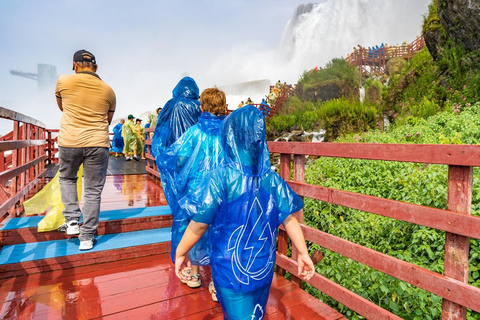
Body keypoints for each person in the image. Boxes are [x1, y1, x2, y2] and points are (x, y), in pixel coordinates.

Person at [175, 105, 314, 319]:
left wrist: (181, 251)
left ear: (229, 140)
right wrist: (303, 253)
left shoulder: (220, 178)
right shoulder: (271, 179)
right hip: (262, 266)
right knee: (256, 312)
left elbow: (200, 223)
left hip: (229, 268)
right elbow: (290, 219)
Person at [158, 87, 227, 292]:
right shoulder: (229, 130)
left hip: (196, 187)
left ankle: (195, 275)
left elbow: (178, 157)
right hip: (223, 188)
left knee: (195, 227)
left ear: (202, 106)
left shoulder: (195, 131)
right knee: (220, 231)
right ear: (224, 105)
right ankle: (216, 282)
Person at [55, 49, 116, 250]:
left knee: (67, 178)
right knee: (92, 190)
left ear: (75, 65)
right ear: (96, 67)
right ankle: (87, 237)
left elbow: (63, 108)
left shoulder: (63, 81)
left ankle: (72, 222)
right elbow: (107, 121)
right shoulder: (108, 90)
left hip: (70, 141)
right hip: (98, 142)